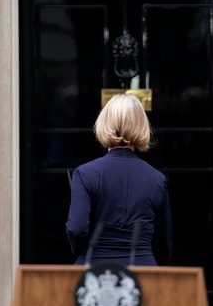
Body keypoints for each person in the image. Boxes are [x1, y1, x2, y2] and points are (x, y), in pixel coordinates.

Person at [66, 93, 173, 266]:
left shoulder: (85, 173)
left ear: (104, 123)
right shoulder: (157, 179)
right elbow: (164, 242)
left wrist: (84, 254)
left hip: (95, 272)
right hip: (142, 269)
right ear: (141, 126)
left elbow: (76, 229)